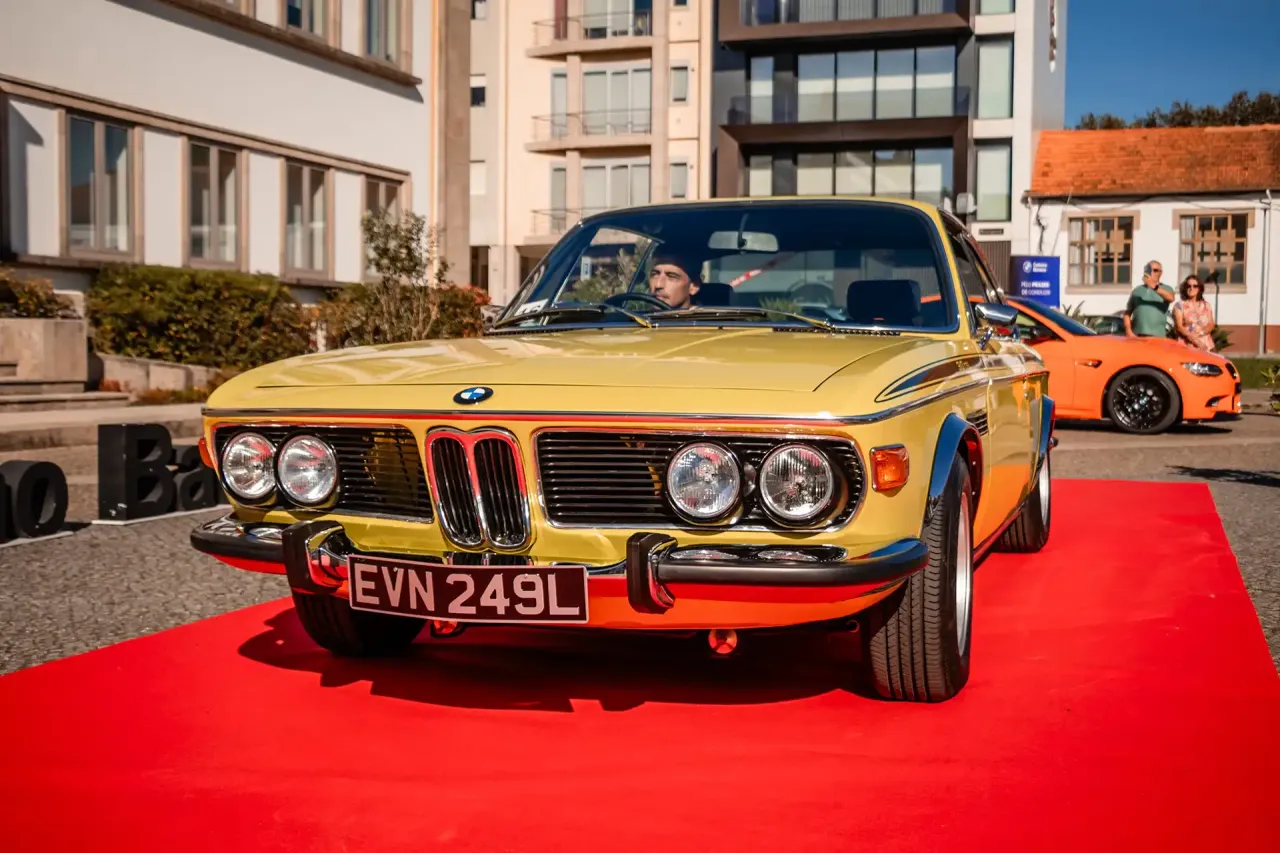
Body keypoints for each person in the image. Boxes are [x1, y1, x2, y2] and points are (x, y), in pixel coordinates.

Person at [1124, 261, 1175, 338]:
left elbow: (1171, 298)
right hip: (1137, 335)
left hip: (1157, 336)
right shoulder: (1137, 290)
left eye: (1155, 270)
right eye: (1149, 270)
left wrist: (1153, 286)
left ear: (1160, 273)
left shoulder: (1166, 288)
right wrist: (1128, 330)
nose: (1151, 272)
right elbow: (1127, 313)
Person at [1172, 274, 1216, 351]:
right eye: (1188, 286)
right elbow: (1179, 327)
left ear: (1199, 288)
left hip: (1205, 345)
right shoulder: (1179, 306)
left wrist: (1200, 333)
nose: (1191, 288)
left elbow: (1211, 325)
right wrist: (1194, 340)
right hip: (1186, 345)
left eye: (1195, 286)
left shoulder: (1206, 305)